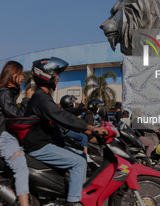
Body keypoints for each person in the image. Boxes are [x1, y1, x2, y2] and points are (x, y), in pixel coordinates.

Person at [23, 57, 105, 206]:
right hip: (39, 146)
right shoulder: (41, 98)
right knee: (79, 162)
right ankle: (73, 202)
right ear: (46, 74)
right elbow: (62, 116)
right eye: (56, 73)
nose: (58, 77)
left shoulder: (44, 96)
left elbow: (63, 117)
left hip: (45, 142)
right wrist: (91, 128)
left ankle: (65, 192)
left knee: (81, 155)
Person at [0, 61, 34, 206]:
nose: (23, 77)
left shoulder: (7, 93)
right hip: (3, 136)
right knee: (21, 168)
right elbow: (16, 115)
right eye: (21, 74)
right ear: (13, 75)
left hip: (9, 135)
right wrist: (27, 99)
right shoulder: (4, 93)